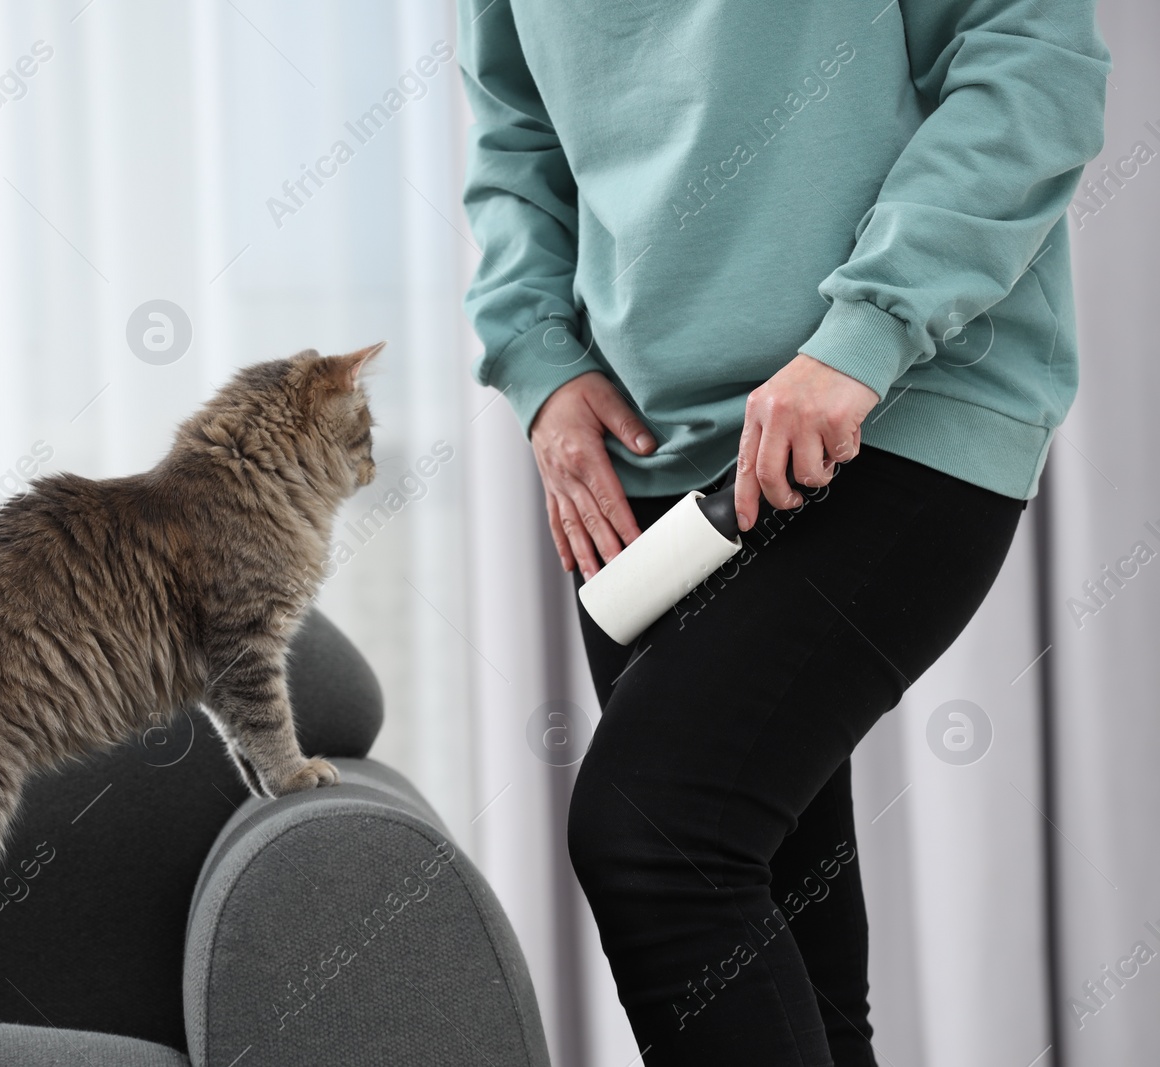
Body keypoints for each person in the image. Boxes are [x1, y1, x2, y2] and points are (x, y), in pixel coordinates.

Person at [455, 1, 1110, 1063]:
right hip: (644, 464)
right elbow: (514, 123)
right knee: (789, 957)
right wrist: (540, 361)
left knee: (656, 843)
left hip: (895, 394)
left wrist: (869, 329)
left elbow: (1028, 54)